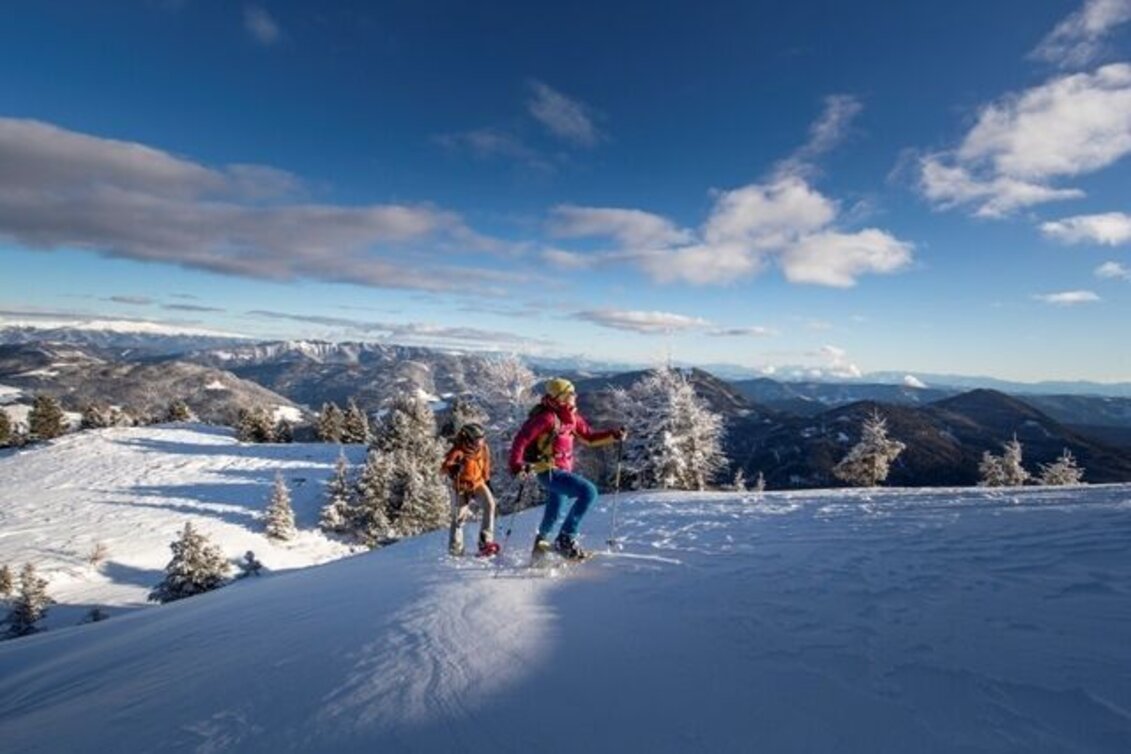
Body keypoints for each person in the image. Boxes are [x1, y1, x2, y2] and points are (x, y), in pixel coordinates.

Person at [509, 378, 626, 560]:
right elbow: (522, 439)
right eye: (571, 393)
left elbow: (589, 437)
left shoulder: (571, 417)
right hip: (547, 471)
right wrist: (516, 464)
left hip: (562, 471)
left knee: (554, 511)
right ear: (561, 396)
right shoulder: (547, 418)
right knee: (589, 492)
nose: (575, 396)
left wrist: (613, 435)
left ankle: (538, 550)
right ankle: (566, 539)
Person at [442, 422, 499, 557]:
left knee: (490, 505)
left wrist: (487, 480)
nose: (480, 443)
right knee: (459, 518)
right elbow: (444, 466)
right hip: (461, 487)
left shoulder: (483, 449)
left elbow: (485, 465)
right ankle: (456, 550)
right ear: (468, 439)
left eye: (482, 440)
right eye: (477, 440)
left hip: (478, 483)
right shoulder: (458, 451)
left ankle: (485, 541)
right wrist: (452, 469)